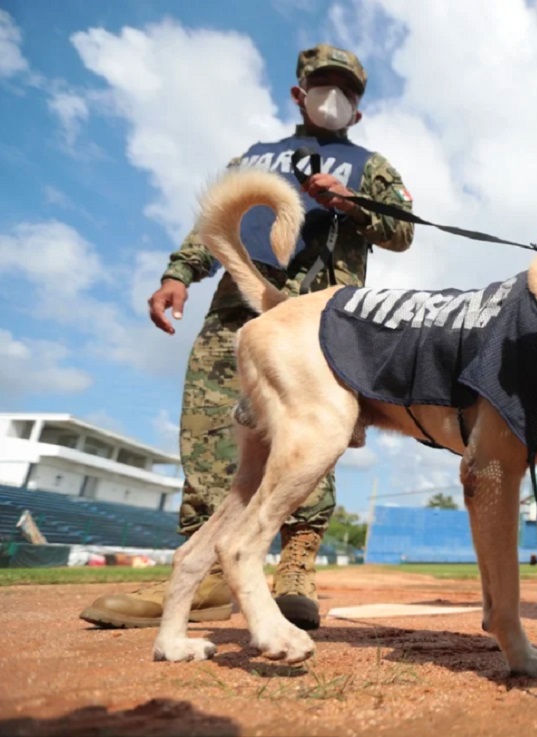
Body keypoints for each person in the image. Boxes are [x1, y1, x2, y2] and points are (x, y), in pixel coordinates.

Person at [80, 44, 416, 632]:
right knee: (210, 429)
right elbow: (214, 225)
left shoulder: (371, 165)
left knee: (311, 429)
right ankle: (207, 574)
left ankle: (294, 568)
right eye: (322, 84)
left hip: (315, 319)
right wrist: (177, 275)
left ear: (358, 109)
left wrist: (352, 204)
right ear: (298, 92)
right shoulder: (256, 157)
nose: (333, 98)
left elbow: (402, 231)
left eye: (347, 91)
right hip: (236, 306)